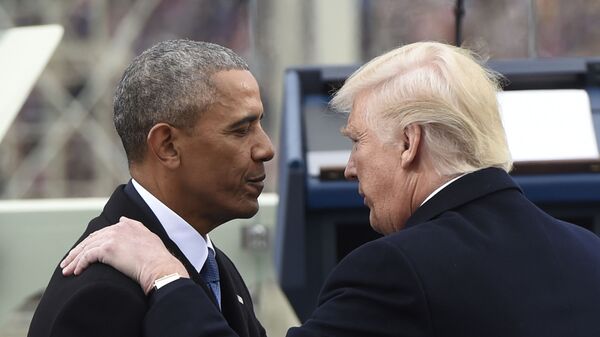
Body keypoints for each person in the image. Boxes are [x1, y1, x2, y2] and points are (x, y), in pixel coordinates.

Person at [61, 41, 600, 337]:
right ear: (166, 145)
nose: (349, 167)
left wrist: (162, 277)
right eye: (240, 127)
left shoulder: (396, 272)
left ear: (410, 143)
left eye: (358, 142)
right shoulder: (588, 256)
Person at [28, 39, 273, 337]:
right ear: (167, 145)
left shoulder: (213, 267)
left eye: (260, 124)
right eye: (241, 130)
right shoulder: (101, 296)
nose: (265, 148)